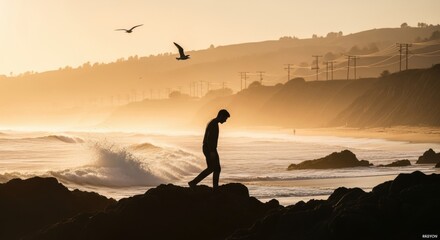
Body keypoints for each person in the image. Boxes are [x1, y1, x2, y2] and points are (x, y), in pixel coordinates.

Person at [188, 109, 230, 190]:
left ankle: (194, 183)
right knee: (215, 168)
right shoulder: (213, 124)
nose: (225, 121)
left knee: (212, 168)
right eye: (225, 118)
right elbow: (208, 138)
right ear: (221, 116)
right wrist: (212, 151)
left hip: (208, 148)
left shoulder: (213, 123)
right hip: (209, 148)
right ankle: (214, 187)